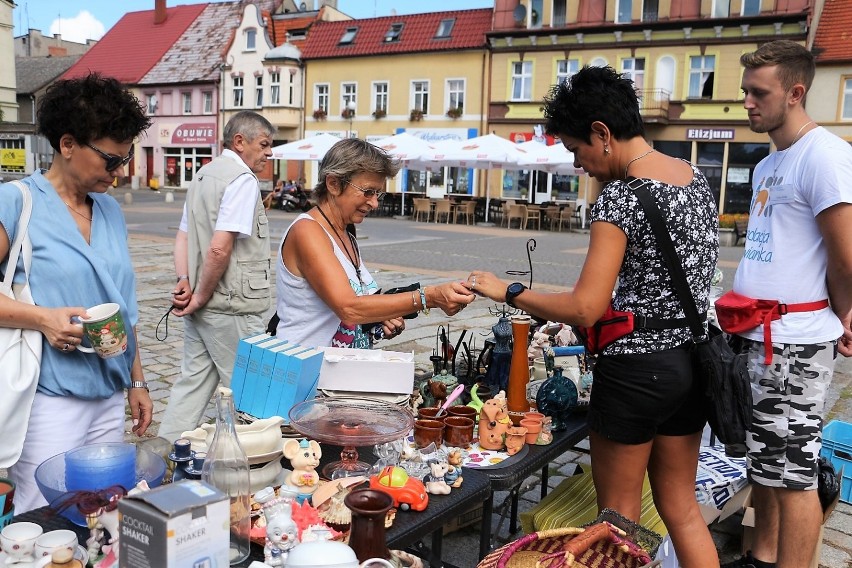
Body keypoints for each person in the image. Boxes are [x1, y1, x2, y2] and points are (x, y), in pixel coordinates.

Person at [465, 66, 719, 566]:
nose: (579, 164)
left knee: (617, 520)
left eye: (576, 150)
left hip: (635, 372)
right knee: (681, 508)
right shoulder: (695, 179)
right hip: (690, 363)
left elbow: (587, 306)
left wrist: (509, 290)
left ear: (602, 133)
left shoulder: (621, 198)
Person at [721, 41, 852, 568]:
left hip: (795, 344)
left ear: (795, 93)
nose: (747, 102)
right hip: (758, 336)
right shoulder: (769, 162)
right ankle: (765, 554)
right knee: (764, 465)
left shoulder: (825, 156)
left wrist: (847, 315)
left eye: (759, 92)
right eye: (745, 91)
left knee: (794, 475)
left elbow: (844, 256)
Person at [0, 73, 153, 513]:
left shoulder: (109, 210)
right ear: (68, 144)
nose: (118, 171)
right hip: (49, 397)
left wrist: (136, 381)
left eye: (124, 159)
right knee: (44, 512)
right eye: (110, 159)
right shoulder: (17, 203)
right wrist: (43, 318)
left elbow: (127, 307)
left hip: (107, 395)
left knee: (101, 508)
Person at [275, 137, 473, 348]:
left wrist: (382, 316)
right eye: (368, 192)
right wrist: (427, 298)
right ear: (333, 184)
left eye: (378, 193)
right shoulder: (308, 231)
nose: (374, 203)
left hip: (337, 368)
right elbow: (349, 308)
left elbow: (356, 305)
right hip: (304, 367)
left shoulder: (345, 231)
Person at [158, 110, 275, 442]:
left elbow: (183, 236)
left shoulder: (203, 175)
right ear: (240, 141)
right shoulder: (241, 180)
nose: (269, 153)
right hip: (231, 305)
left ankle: (162, 454)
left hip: (207, 302)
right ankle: (250, 466)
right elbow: (219, 249)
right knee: (249, 393)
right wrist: (200, 296)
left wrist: (185, 280)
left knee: (192, 383)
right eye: (264, 144)